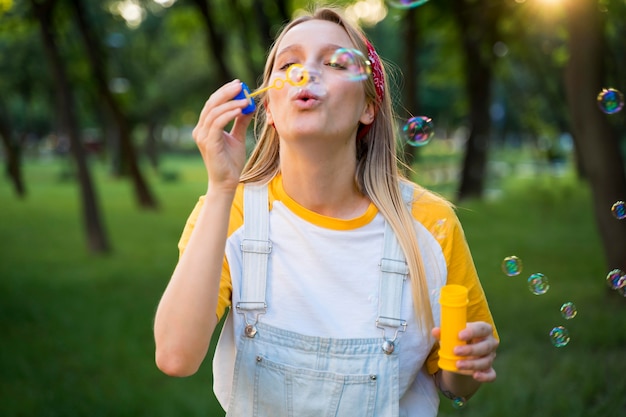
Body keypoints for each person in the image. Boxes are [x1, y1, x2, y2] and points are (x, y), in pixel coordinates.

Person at [153, 6, 499, 417]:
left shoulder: (429, 223)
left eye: (335, 62)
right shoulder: (231, 211)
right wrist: (222, 185)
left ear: (368, 108)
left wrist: (465, 367)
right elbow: (176, 357)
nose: (306, 72)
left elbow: (455, 386)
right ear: (270, 109)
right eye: (289, 63)